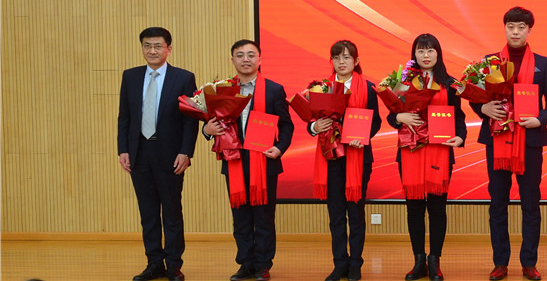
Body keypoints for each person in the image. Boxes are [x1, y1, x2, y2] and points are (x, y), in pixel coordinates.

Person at [468, 7, 547, 281]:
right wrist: (483, 109)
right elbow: (474, 95)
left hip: (530, 141)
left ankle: (529, 263)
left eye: (521, 27)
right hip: (497, 140)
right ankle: (500, 262)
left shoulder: (542, 63)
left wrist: (540, 119)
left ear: (529, 30)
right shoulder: (490, 62)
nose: (516, 32)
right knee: (498, 203)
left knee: (530, 203)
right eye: (511, 26)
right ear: (505, 29)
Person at [202, 39, 294, 281]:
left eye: (251, 55)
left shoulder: (273, 89)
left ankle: (262, 264)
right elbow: (210, 122)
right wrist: (206, 130)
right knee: (240, 217)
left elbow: (287, 125)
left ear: (260, 59)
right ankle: (245, 263)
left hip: (264, 161)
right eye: (240, 55)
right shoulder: (221, 90)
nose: (246, 59)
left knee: (264, 217)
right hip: (233, 161)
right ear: (232, 60)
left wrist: (279, 148)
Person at [117, 27, 198, 281]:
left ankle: (173, 264)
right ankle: (154, 263)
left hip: (170, 155)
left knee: (171, 212)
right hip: (139, 153)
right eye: (147, 46)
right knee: (148, 213)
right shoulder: (130, 76)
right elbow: (124, 117)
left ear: (168, 49)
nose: (152, 51)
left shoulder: (183, 78)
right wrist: (123, 149)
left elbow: (190, 120)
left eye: (158, 46)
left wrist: (185, 152)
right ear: (142, 48)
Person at [388, 34, 467, 281]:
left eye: (430, 50)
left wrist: (461, 137)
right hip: (410, 152)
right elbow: (391, 115)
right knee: (414, 208)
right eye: (421, 51)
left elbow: (459, 117)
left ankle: (435, 261)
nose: (425, 55)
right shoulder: (402, 83)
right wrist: (399, 118)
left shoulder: (450, 84)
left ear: (438, 54)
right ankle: (418, 261)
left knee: (437, 208)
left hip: (439, 151)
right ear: (414, 54)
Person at [309, 40, 382, 281]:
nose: (342, 61)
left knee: (356, 213)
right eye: (337, 57)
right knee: (336, 214)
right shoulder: (322, 88)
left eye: (347, 57)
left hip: (358, 158)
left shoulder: (368, 88)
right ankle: (339, 263)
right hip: (330, 158)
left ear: (356, 61)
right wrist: (314, 127)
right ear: (331, 61)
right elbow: (311, 121)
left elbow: (376, 121)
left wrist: (363, 137)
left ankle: (355, 264)